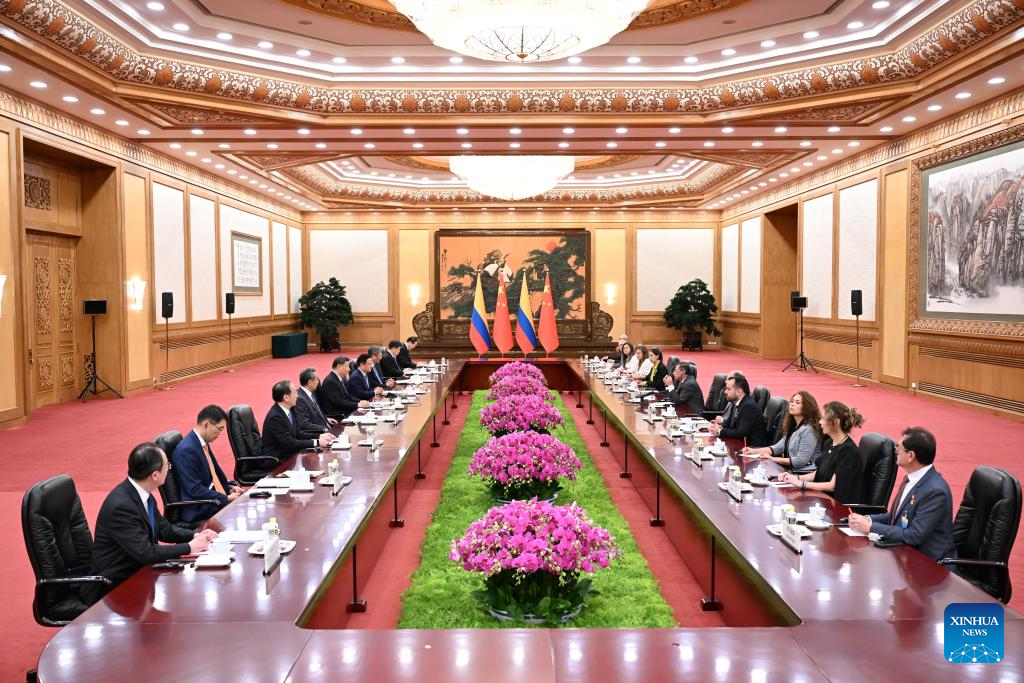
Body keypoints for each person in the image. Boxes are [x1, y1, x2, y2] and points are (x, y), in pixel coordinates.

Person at [89, 443, 215, 600]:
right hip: (115, 586)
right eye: (167, 465)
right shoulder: (121, 507)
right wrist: (189, 547)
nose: (169, 468)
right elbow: (146, 553)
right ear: (155, 475)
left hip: (139, 571)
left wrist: (195, 536)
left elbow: (164, 529)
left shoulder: (141, 492)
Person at [849, 427, 957, 562]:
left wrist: (870, 527)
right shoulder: (911, 478)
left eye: (898, 448)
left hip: (930, 564)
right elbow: (897, 517)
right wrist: (868, 519)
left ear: (911, 456)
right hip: (905, 554)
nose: (896, 451)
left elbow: (914, 536)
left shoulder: (935, 491)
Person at [778, 401, 864, 504]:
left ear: (835, 422)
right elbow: (819, 473)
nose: (820, 422)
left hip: (839, 507)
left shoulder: (848, 451)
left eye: (823, 418)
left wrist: (802, 484)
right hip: (822, 499)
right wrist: (794, 477)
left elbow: (832, 486)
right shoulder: (829, 442)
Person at [171, 404, 243, 524]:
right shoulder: (186, 450)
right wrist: (225, 498)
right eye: (219, 429)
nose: (220, 434)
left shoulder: (201, 442)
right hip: (199, 508)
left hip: (210, 500)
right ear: (206, 424)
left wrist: (229, 489)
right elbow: (194, 489)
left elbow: (213, 475)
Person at [742, 391, 823, 475]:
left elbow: (801, 461)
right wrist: (753, 451)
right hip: (793, 472)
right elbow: (778, 448)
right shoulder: (793, 426)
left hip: (805, 473)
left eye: (797, 402)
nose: (792, 404)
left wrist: (773, 459)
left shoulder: (808, 430)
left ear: (807, 407)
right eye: (792, 401)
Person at [258, 380, 334, 462]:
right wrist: (317, 442)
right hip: (277, 461)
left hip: (290, 455)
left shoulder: (288, 410)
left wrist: (319, 436)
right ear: (286, 397)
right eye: (295, 393)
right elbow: (290, 443)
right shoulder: (275, 417)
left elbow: (298, 433)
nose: (297, 396)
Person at [708, 374, 768, 447]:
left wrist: (720, 431)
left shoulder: (748, 407)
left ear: (738, 392)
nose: (725, 392)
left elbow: (741, 433)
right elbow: (729, 423)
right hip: (740, 445)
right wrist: (717, 427)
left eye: (728, 389)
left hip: (753, 449)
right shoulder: (737, 402)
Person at [294, 367, 337, 438]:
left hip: (327, 426)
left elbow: (315, 412)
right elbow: (304, 423)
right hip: (321, 433)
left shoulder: (311, 393)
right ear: (310, 382)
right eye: (317, 379)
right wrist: (322, 428)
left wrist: (325, 419)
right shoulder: (300, 399)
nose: (318, 381)